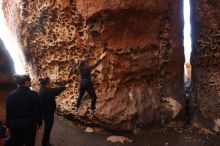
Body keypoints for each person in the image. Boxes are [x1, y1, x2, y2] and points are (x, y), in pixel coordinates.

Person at [6, 75, 42, 146]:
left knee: (17, 143)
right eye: (30, 81)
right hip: (30, 125)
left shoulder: (11, 95)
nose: (31, 82)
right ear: (27, 82)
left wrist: (8, 126)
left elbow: (9, 112)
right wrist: (39, 123)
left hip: (15, 124)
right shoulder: (34, 95)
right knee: (30, 143)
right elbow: (37, 111)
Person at [39, 77, 68, 146]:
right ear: (47, 82)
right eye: (50, 81)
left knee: (47, 129)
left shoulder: (42, 89)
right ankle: (44, 143)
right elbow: (57, 91)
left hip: (45, 112)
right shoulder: (47, 91)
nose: (51, 82)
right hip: (48, 113)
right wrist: (65, 86)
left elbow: (54, 90)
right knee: (47, 130)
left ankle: (46, 142)